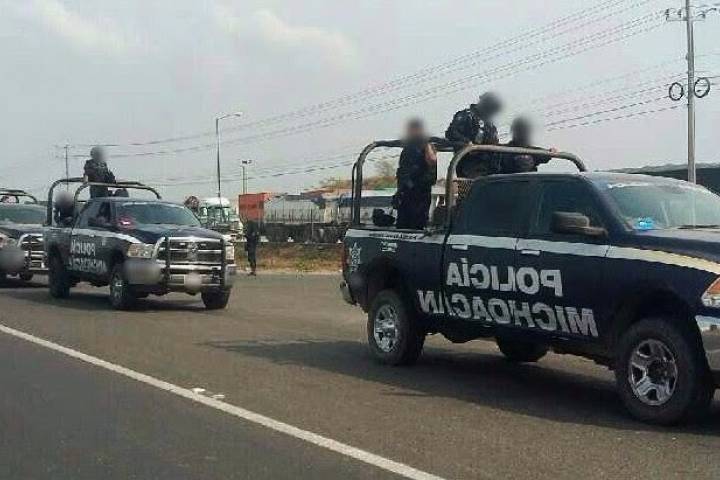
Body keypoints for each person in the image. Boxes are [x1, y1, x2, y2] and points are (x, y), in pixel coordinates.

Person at [446, 92, 503, 178]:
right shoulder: (466, 115)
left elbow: (494, 142)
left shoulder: (489, 124)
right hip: (471, 166)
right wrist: (467, 143)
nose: (492, 112)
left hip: (490, 167)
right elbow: (451, 133)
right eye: (491, 108)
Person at [394, 118, 437, 230]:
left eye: (412, 129)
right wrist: (401, 190)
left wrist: (427, 144)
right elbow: (403, 170)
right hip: (407, 190)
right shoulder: (409, 147)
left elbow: (432, 160)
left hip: (420, 191)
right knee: (403, 223)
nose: (409, 132)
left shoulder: (426, 144)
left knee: (417, 223)